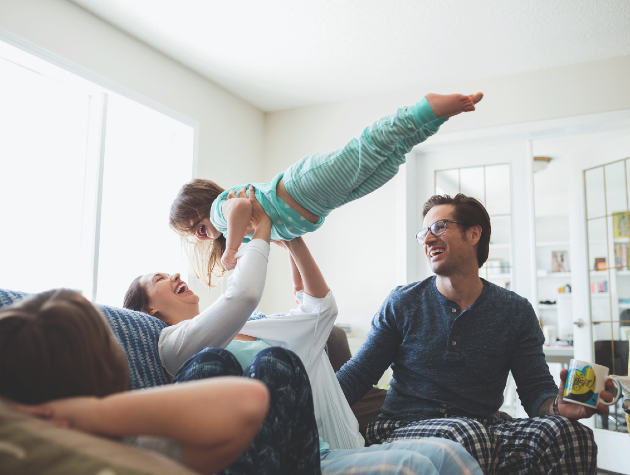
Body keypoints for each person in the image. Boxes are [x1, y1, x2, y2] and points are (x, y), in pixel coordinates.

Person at [124, 188, 484, 475]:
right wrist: (260, 227)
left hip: (334, 444)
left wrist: (289, 237)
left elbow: (319, 310)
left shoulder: (253, 327)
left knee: (450, 451)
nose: (174, 275)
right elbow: (243, 293)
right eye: (158, 279)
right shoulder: (171, 343)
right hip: (291, 454)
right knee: (415, 467)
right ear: (148, 309)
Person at [336, 193, 615, 475]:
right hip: (403, 427)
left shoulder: (515, 311)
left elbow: (535, 391)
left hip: (482, 428)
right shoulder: (402, 303)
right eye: (424, 233)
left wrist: (558, 407)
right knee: (467, 434)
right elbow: (358, 375)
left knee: (570, 434)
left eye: (439, 227)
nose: (428, 239)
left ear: (473, 234)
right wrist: (300, 403)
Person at [169, 92, 483, 287]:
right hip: (321, 202)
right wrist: (297, 283)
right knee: (386, 165)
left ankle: (423, 110)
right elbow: (289, 243)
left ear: (200, 213)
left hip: (302, 187)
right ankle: (431, 123)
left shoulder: (222, 213)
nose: (200, 236)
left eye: (195, 229)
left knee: (366, 151)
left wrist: (233, 249)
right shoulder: (248, 229)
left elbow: (239, 209)